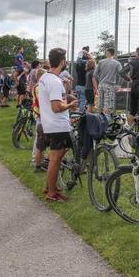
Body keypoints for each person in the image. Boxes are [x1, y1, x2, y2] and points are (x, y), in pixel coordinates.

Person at [38, 48, 77, 202]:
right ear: (62, 61)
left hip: (50, 124)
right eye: (65, 59)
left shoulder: (46, 77)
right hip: (57, 125)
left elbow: (54, 99)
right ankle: (51, 193)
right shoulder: (54, 81)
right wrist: (70, 104)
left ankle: (50, 186)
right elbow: (56, 107)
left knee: (58, 157)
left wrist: (65, 97)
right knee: (55, 159)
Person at [93, 47, 122, 115]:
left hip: (101, 85)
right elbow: (122, 74)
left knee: (100, 104)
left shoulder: (101, 62)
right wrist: (119, 85)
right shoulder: (117, 63)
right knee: (108, 105)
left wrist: (100, 79)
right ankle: (106, 122)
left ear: (107, 53)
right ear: (113, 54)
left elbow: (94, 75)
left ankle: (99, 121)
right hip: (110, 86)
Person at [32, 68, 48, 172]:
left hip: (42, 114)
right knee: (39, 138)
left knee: (42, 138)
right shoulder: (38, 87)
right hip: (40, 115)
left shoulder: (40, 86)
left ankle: (40, 159)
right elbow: (42, 101)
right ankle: (35, 160)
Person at [74, 46, 91, 111]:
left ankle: (75, 114)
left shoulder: (78, 64)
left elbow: (79, 60)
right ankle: (80, 115)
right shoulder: (86, 64)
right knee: (83, 102)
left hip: (77, 86)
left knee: (78, 102)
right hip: (83, 86)